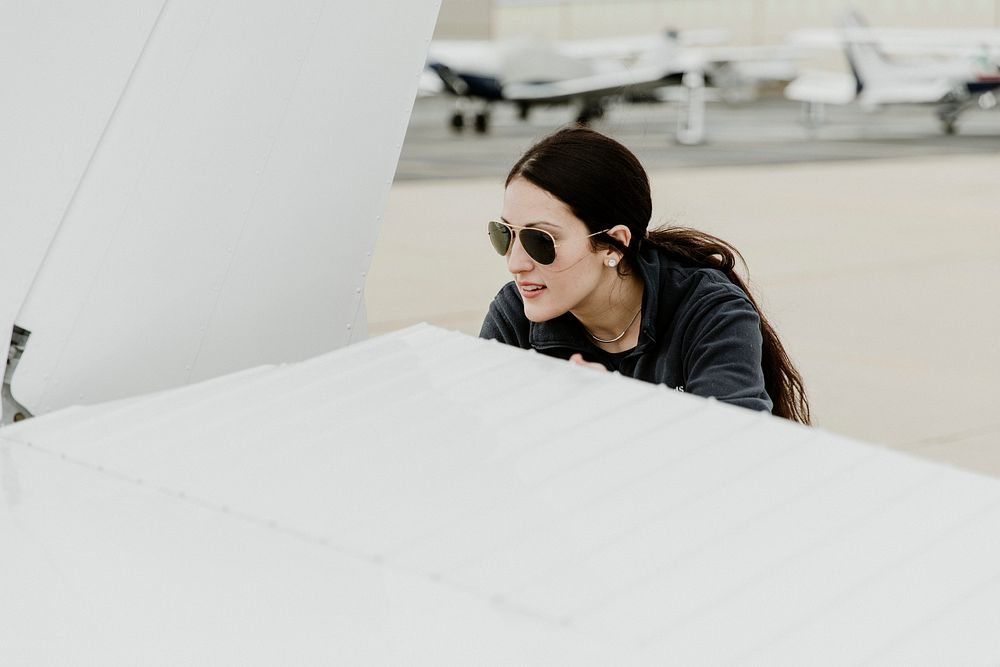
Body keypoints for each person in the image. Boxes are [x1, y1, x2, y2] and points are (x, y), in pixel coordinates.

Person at [479, 126, 810, 424]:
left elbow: (738, 446)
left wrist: (627, 408)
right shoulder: (514, 315)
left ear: (614, 245)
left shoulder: (709, 312)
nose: (515, 263)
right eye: (504, 233)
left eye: (540, 240)